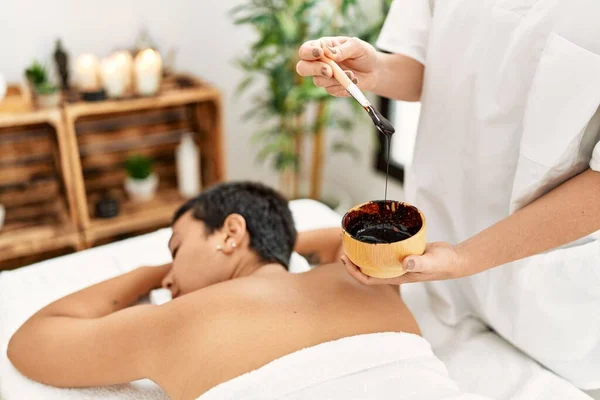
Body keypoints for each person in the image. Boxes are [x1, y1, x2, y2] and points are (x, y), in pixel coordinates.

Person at [296, 0, 600, 389]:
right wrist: (376, 70)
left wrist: (463, 258)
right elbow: (432, 67)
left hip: (551, 302)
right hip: (443, 277)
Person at [7, 182, 420, 400]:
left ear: (230, 232)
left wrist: (149, 272)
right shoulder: (368, 279)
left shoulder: (178, 322)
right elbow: (337, 239)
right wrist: (274, 245)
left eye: (177, 247)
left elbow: (31, 341)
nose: (169, 280)